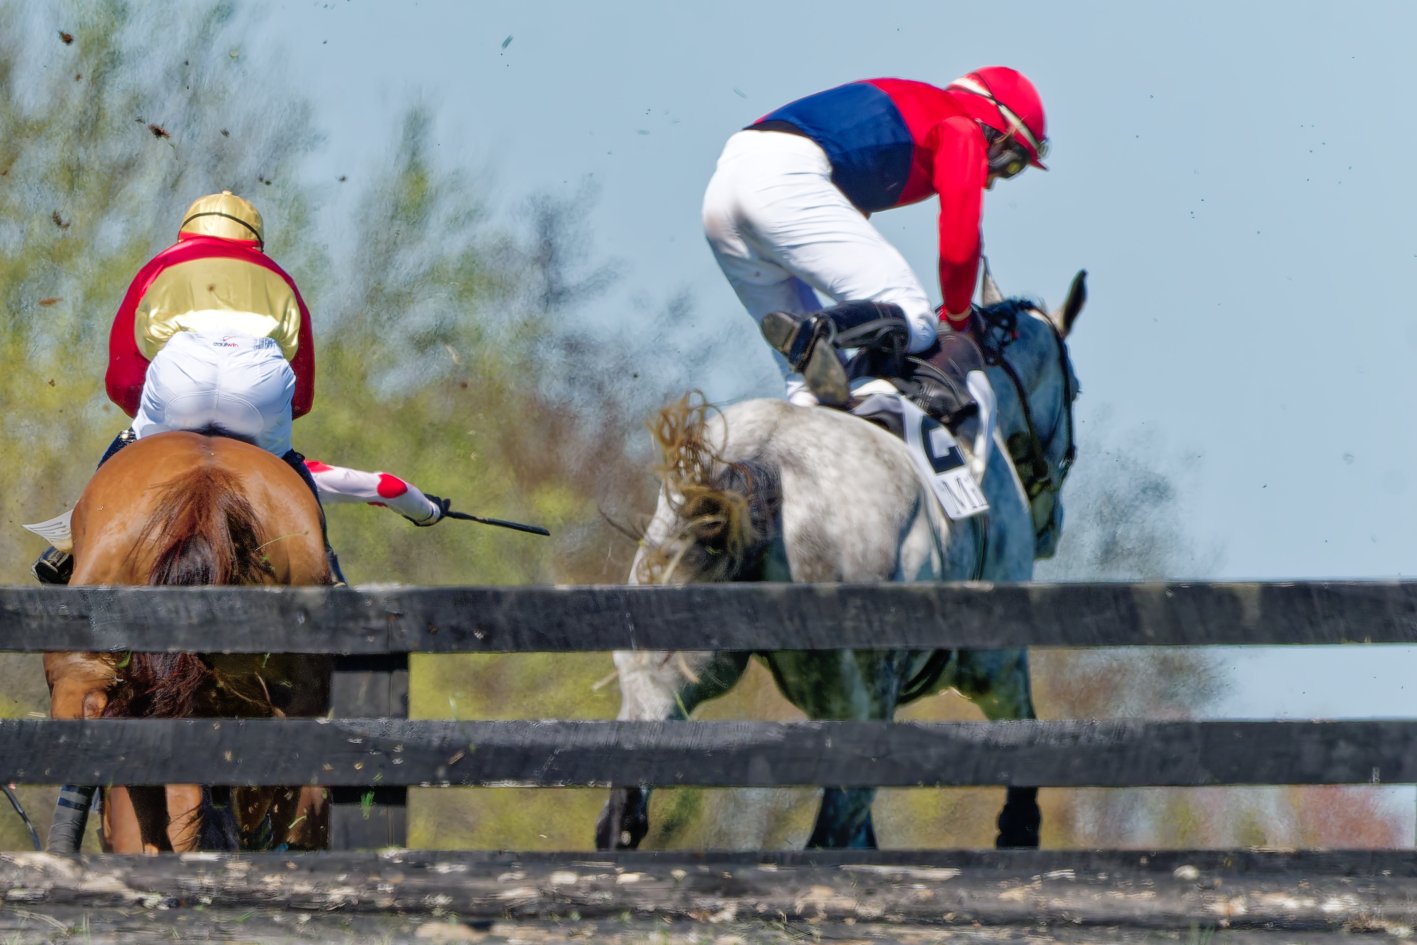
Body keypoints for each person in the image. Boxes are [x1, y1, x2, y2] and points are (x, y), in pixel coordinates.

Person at [32, 191, 452, 585]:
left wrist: (142, 415)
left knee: (129, 445)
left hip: (182, 377)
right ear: (255, 240)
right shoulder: (279, 277)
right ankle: (326, 563)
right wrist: (273, 431)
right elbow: (301, 387)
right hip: (258, 386)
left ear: (187, 229)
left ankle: (66, 548)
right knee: (288, 467)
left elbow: (123, 370)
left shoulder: (160, 265)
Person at [701, 67, 1048, 409]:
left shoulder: (912, 107)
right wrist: (958, 318)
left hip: (724, 190)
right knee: (915, 318)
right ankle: (815, 330)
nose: (993, 180)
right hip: (784, 178)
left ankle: (809, 371)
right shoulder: (962, 127)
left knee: (811, 392)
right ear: (995, 128)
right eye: (1010, 163)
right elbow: (960, 244)